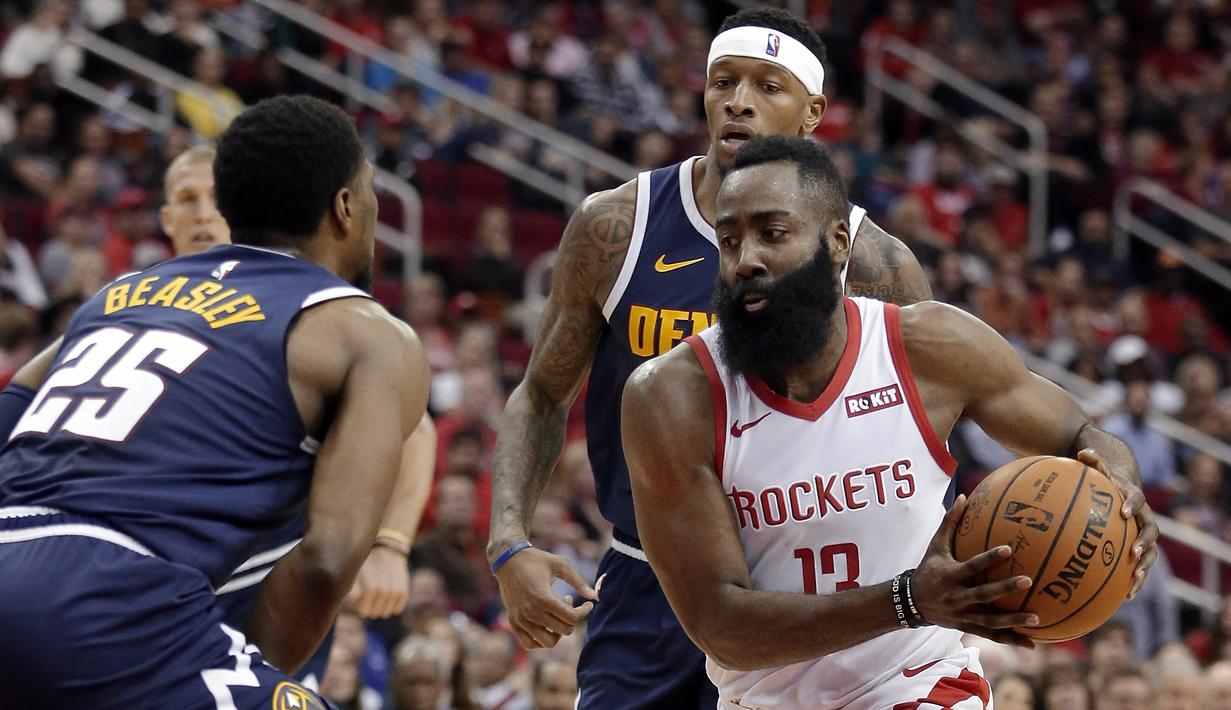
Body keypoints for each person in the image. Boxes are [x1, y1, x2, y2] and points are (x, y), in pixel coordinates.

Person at [487, 8, 933, 708]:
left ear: (812, 113)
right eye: (722, 81)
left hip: (803, 594)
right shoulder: (617, 225)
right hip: (646, 585)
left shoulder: (872, 262)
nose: (738, 100)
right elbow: (542, 396)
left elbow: (923, 432)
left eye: (766, 86)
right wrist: (509, 541)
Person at [621, 136, 1158, 709]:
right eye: (729, 241)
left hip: (920, 682)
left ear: (836, 243)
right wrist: (907, 600)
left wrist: (1120, 484)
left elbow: (1082, 436)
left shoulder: (930, 347)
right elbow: (720, 625)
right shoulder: (672, 397)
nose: (745, 259)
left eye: (772, 234)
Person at [0, 95, 430, 708]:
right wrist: (230, 666)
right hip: (117, 601)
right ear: (345, 206)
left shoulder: (120, 294)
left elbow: (15, 400)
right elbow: (328, 560)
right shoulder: (366, 331)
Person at [155, 142, 438, 686]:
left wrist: (390, 546)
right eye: (186, 199)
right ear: (166, 217)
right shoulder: (134, 301)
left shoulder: (305, 304)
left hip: (270, 580)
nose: (201, 212)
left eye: (214, 196)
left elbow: (415, 431)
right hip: (168, 575)